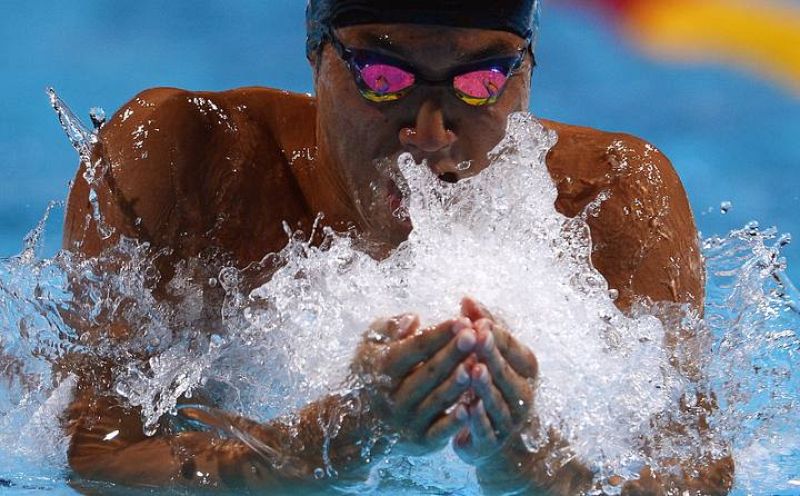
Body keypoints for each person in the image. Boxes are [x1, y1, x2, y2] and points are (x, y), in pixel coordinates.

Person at [62, 0, 734, 493]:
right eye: (384, 77)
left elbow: (694, 475)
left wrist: (535, 469)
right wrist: (304, 454)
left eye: (481, 83)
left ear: (528, 68)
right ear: (316, 54)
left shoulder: (613, 194)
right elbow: (95, 455)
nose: (432, 132)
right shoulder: (188, 161)